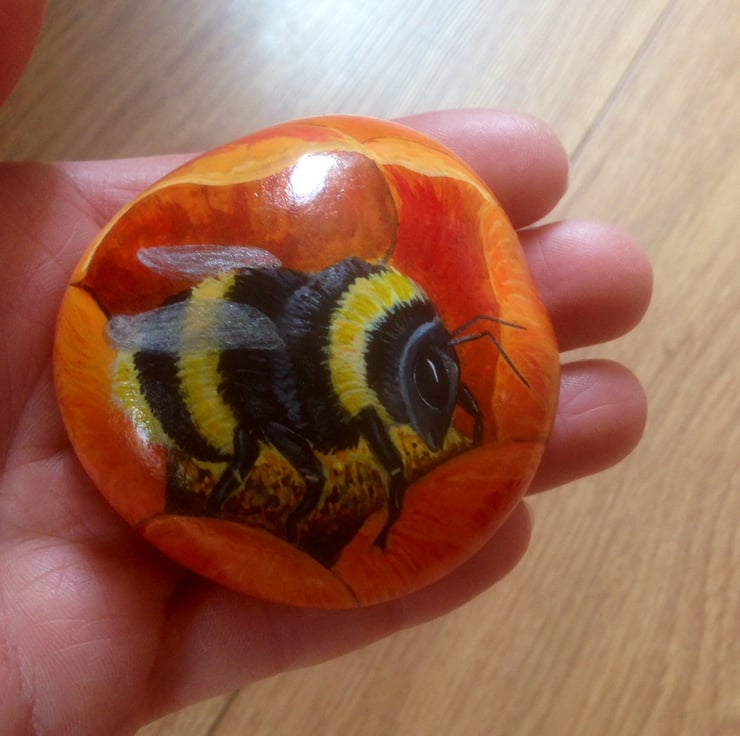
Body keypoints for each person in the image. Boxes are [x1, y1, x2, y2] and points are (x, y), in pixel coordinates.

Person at [0, 3, 652, 734]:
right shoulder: (331, 366)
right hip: (191, 383)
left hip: (219, 357)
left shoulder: (385, 319)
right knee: (264, 406)